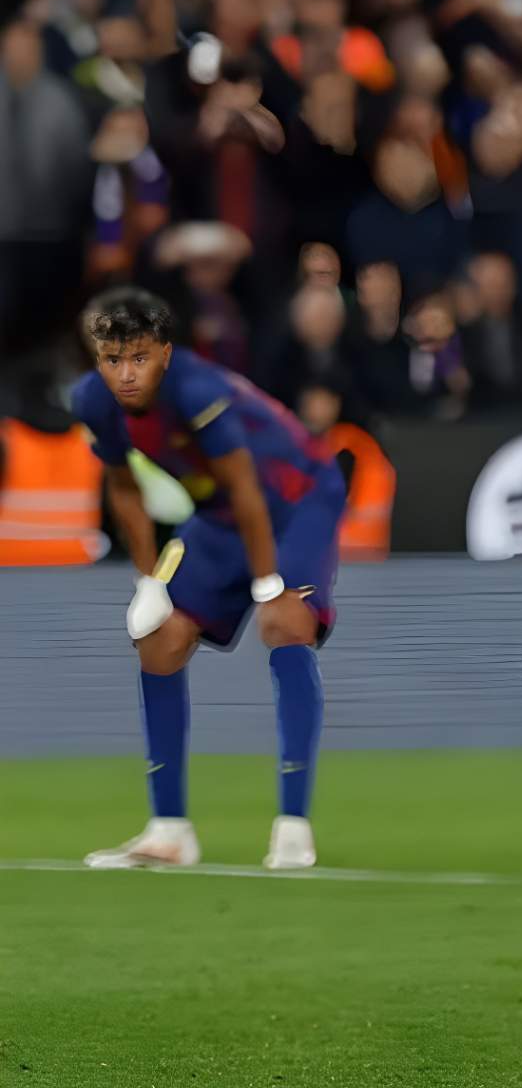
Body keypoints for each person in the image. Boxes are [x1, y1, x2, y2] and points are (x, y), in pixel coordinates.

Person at [70, 289, 345, 871]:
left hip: (297, 499)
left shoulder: (197, 393)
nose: (125, 373)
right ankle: (169, 831)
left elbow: (248, 489)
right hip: (220, 516)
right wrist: (148, 581)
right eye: (111, 358)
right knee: (159, 637)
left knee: (285, 620)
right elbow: (123, 487)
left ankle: (293, 828)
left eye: (138, 358)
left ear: (165, 354)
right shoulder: (93, 402)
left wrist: (268, 579)